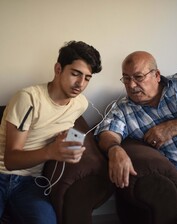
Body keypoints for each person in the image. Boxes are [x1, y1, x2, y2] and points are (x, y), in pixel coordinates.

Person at [94, 51, 177, 224]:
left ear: (156, 75)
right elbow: (107, 133)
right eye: (126, 78)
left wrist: (170, 128)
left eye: (138, 77)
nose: (131, 85)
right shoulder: (124, 109)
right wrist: (114, 149)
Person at [0, 40, 102, 224]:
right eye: (75, 74)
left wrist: (70, 147)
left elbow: (62, 129)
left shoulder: (81, 104)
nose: (80, 83)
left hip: (30, 183)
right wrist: (51, 152)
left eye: (87, 78)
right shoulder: (28, 98)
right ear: (58, 69)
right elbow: (10, 161)